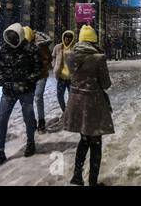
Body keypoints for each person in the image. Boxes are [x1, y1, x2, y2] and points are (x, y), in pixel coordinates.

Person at [0, 23, 42, 165]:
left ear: (20, 36)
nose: (12, 42)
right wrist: (3, 81)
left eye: (14, 38)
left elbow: (37, 70)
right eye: (10, 39)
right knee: (2, 120)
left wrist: (25, 83)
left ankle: (30, 143)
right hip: (8, 91)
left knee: (28, 117)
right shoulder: (4, 49)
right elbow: (1, 69)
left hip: (25, 91)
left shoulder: (31, 49)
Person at [64, 25, 114, 186]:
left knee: (84, 139)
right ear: (93, 40)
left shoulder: (70, 56)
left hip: (76, 102)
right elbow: (105, 84)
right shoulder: (98, 58)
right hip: (93, 104)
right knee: (96, 142)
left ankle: (77, 176)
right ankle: (93, 181)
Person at [24, 27, 53, 134]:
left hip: (41, 74)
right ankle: (32, 121)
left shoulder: (42, 45)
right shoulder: (24, 44)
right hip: (29, 76)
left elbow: (49, 58)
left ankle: (41, 121)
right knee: (29, 98)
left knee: (38, 96)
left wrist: (41, 64)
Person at [52, 30, 76, 114]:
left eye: (70, 37)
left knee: (72, 96)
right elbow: (53, 57)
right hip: (61, 77)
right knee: (59, 95)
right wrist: (55, 65)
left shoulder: (75, 48)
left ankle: (70, 112)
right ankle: (64, 111)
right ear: (63, 37)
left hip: (71, 78)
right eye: (66, 37)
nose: (68, 39)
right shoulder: (58, 47)